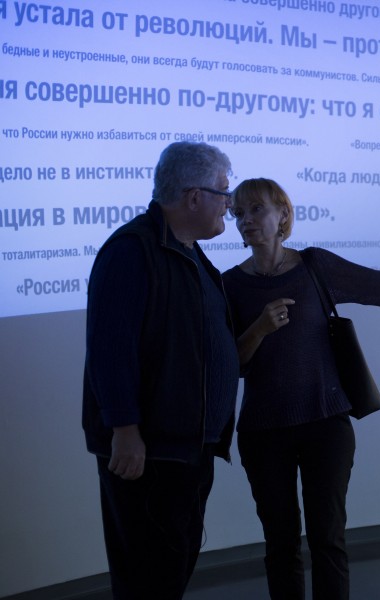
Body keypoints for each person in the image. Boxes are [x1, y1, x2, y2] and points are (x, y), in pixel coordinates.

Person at [221, 178, 380, 600]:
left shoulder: (314, 266)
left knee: (327, 538)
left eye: (256, 210)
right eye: (238, 213)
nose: (245, 221)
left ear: (283, 214)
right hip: (264, 431)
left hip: (326, 425)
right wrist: (259, 329)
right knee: (280, 543)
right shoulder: (229, 285)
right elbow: (232, 365)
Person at [82, 141, 239, 599]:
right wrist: (125, 430)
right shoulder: (133, 250)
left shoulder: (189, 253)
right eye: (223, 193)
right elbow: (111, 350)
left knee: (173, 566)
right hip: (149, 454)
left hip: (188, 449)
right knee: (147, 577)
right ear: (194, 197)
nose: (229, 204)